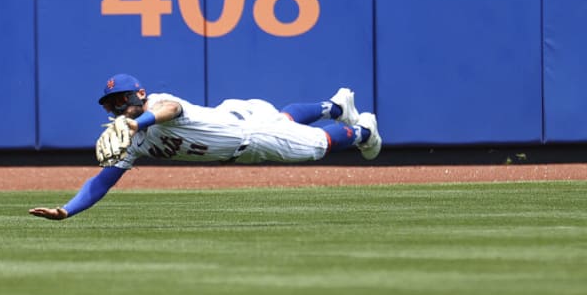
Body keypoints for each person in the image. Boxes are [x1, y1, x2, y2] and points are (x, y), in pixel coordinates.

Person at [29, 73, 382, 220]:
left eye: (121, 101)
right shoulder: (132, 142)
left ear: (138, 94)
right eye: (111, 105)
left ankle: (364, 131)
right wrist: (67, 210)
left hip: (250, 138)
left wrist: (137, 121)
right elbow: (102, 181)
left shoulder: (155, 104)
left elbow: (170, 111)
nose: (117, 109)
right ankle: (334, 108)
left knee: (316, 145)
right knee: (283, 118)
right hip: (231, 116)